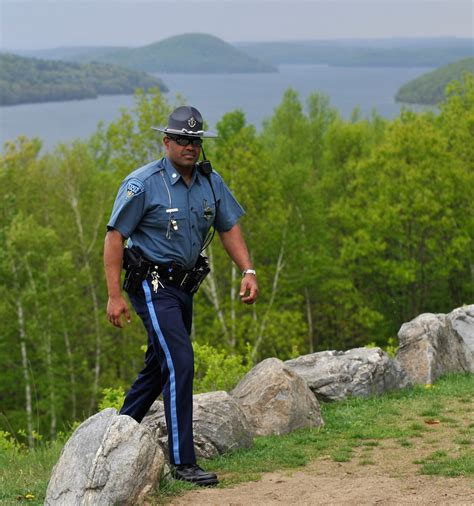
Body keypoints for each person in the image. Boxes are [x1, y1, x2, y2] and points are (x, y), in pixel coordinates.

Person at [103, 106, 258, 486]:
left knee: (158, 368)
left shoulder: (210, 182)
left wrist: (248, 270)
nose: (190, 146)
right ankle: (183, 462)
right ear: (166, 141)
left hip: (184, 287)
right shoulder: (144, 183)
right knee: (180, 362)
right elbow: (114, 238)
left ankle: (115, 436)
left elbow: (228, 227)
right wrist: (113, 297)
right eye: (183, 139)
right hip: (152, 286)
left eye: (196, 140)